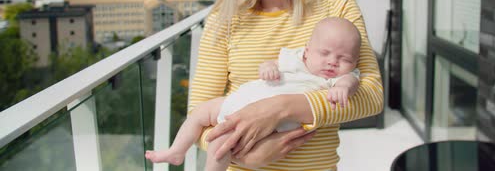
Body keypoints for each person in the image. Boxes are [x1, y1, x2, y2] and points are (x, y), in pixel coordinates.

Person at [187, 0, 383, 170]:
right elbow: (197, 115)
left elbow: (371, 97)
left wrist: (280, 108)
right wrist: (242, 154)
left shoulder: (337, 4)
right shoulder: (224, 21)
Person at [145, 17, 362, 170]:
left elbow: (352, 82)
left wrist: (343, 88)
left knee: (220, 147)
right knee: (201, 112)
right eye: (325, 53)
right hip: (239, 100)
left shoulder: (334, 79)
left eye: (344, 59)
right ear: (307, 50)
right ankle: (176, 150)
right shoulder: (295, 58)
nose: (333, 61)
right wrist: (268, 68)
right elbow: (270, 64)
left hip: (266, 126)